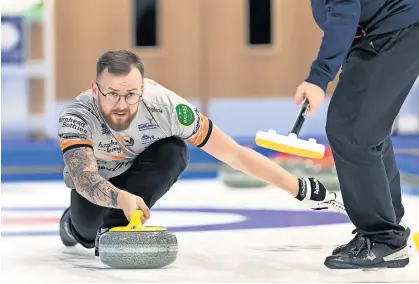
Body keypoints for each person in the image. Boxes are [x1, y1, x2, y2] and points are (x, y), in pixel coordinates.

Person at [58, 50, 337, 254]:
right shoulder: (77, 115)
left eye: (131, 94)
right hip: (99, 181)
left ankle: (116, 228)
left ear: (143, 89)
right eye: (112, 95)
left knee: (175, 150)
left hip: (138, 171)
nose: (122, 105)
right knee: (85, 235)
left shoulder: (167, 108)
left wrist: (298, 187)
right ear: (96, 90)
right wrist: (119, 197)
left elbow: (235, 155)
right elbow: (84, 178)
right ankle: (72, 224)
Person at [293, 0, 419, 269]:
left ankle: (384, 239)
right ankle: (388, 225)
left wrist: (319, 77)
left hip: (397, 29)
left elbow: (343, 10)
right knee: (366, 128)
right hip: (382, 31)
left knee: (351, 130)